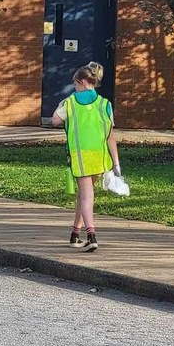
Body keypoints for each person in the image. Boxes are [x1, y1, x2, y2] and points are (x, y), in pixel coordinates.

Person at [50, 61, 121, 252]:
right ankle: (75, 234)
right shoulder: (105, 104)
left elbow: (54, 120)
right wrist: (116, 164)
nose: (73, 87)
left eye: (74, 83)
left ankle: (91, 235)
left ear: (81, 82)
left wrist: (62, 103)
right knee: (84, 195)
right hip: (100, 157)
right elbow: (110, 136)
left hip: (80, 157)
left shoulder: (70, 102)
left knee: (86, 196)